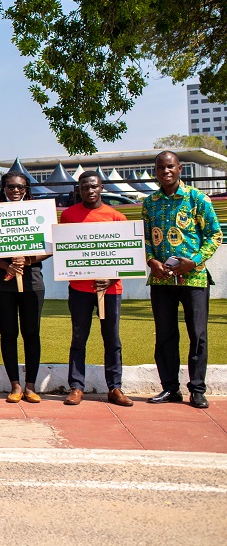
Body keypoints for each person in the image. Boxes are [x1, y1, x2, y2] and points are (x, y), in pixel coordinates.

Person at [143, 151, 222, 409]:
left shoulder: (197, 198)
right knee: (165, 335)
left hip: (194, 279)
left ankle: (197, 389)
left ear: (180, 168)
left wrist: (196, 261)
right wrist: (151, 261)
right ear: (155, 171)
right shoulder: (149, 202)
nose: (166, 171)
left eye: (170, 167)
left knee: (197, 335)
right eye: (160, 168)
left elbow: (215, 235)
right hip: (161, 281)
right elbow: (143, 239)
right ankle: (170, 388)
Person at [59, 172, 134, 407]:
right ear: (79, 190)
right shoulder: (69, 216)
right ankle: (76, 387)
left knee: (112, 338)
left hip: (111, 290)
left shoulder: (117, 217)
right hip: (80, 288)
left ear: (101, 187)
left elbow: (126, 256)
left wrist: (111, 278)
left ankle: (115, 387)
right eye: (84, 187)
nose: (89, 190)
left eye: (93, 186)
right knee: (79, 337)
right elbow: (66, 253)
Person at [0, 171, 49, 404]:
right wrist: (7, 266)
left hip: (32, 281)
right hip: (1, 282)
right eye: (10, 187)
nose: (15, 191)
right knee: (8, 334)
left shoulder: (38, 212)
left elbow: (49, 246)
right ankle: (14, 384)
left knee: (32, 333)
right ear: (3, 189)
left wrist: (28, 260)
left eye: (20, 187)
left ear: (27, 190)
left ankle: (31, 385)